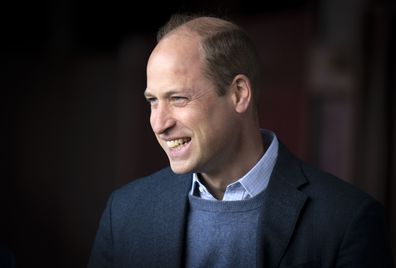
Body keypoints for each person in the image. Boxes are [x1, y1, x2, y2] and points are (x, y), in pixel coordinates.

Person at [88, 14, 394, 268]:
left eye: (178, 99)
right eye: (153, 101)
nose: (159, 123)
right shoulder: (125, 213)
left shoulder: (347, 221)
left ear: (238, 94)